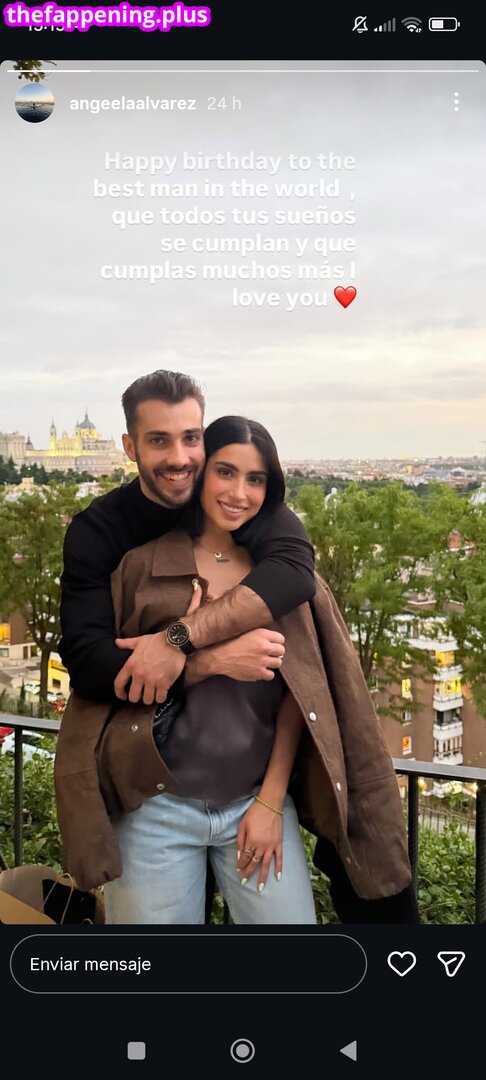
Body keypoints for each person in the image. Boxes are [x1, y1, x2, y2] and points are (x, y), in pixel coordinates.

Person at [55, 415, 417, 924]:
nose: (238, 493)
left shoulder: (278, 576)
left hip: (253, 801)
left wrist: (270, 801)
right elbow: (115, 678)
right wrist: (210, 658)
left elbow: (301, 696)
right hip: (155, 809)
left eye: (255, 479)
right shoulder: (141, 567)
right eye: (225, 472)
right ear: (201, 474)